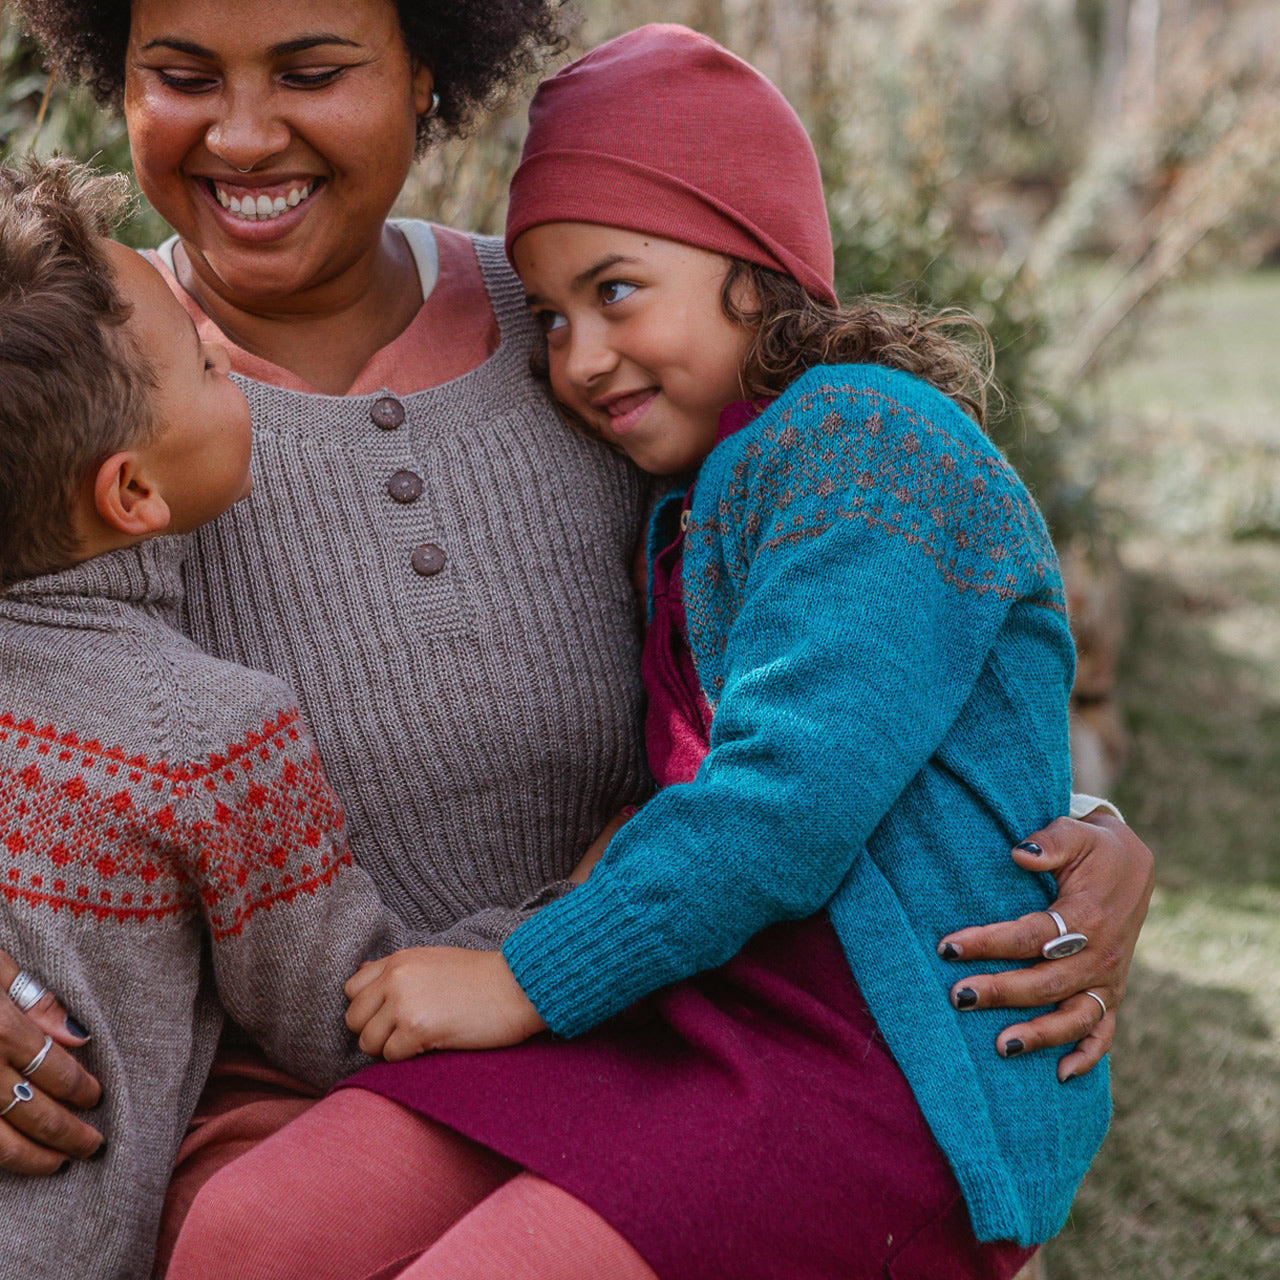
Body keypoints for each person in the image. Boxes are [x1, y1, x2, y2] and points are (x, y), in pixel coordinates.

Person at [6, 0, 1152, 1267]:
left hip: (659, 1003)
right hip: (294, 1075)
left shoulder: (603, 348)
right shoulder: (70, 385)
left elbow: (836, 689)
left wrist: (1058, 834)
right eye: (179, 73)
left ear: (429, 73)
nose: (242, 131)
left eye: (311, 70)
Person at [0, 156, 419, 1278]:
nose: (229, 352)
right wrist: (556, 922)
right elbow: (344, 1018)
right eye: (203, 362)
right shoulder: (211, 735)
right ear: (133, 493)